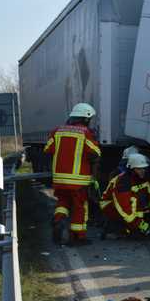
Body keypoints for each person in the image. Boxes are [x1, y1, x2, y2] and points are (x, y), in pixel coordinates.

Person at [44, 102, 101, 245]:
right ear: (86, 118)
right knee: (79, 207)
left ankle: (58, 220)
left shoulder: (57, 131)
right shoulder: (85, 133)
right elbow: (96, 152)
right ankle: (77, 237)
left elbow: (48, 149)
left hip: (59, 179)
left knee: (62, 202)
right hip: (78, 180)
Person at [100, 153, 150, 238]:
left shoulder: (142, 178)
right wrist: (142, 226)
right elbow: (124, 209)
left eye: (144, 168)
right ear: (131, 169)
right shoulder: (123, 182)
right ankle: (126, 228)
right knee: (134, 200)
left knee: (139, 199)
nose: (142, 171)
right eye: (139, 169)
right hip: (110, 206)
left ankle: (133, 227)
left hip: (128, 204)